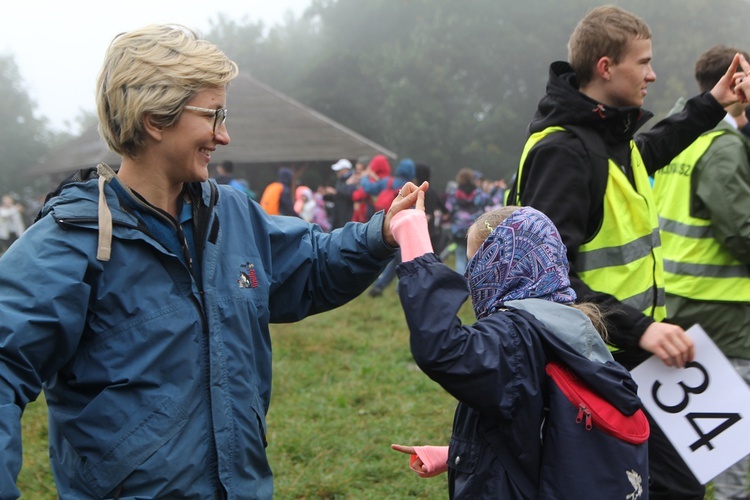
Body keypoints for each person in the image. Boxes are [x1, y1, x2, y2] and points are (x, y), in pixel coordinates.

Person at [0, 24, 421, 498]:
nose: (224, 135)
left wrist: (379, 232)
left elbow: (311, 265)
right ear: (155, 118)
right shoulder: (73, 239)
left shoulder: (232, 214)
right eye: (213, 115)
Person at [507, 6, 742, 498]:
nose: (654, 75)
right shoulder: (564, 152)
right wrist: (643, 329)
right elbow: (545, 280)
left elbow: (652, 147)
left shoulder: (607, 137)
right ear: (607, 67)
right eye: (644, 63)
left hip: (628, 357)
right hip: (595, 360)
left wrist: (714, 102)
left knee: (675, 482)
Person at [388, 201, 644, 498]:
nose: (472, 280)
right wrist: (456, 454)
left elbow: (441, 349)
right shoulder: (570, 324)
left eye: (476, 265)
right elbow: (540, 431)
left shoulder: (515, 336)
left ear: (499, 265)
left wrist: (412, 234)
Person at [653, 45, 750, 500]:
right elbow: (741, 230)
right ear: (738, 78)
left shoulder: (678, 133)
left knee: (690, 438)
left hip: (675, 302)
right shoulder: (723, 143)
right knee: (735, 440)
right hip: (726, 311)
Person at [365, 158, 416, 297]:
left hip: (383, 222)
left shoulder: (388, 182)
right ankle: (401, 288)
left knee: (393, 258)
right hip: (401, 226)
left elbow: (368, 188)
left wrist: (365, 177)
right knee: (402, 258)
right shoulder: (410, 187)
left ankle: (379, 286)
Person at [444, 167, 491, 274]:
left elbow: (447, 209)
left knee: (460, 257)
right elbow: (488, 205)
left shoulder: (454, 194)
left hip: (458, 230)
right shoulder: (479, 194)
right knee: (474, 259)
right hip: (475, 229)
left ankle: (461, 285)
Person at [322, 158, 358, 229]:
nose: (337, 172)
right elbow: (338, 198)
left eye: (339, 171)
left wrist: (336, 192)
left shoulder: (354, 179)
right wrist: (326, 195)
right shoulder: (340, 181)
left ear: (345, 169)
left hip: (347, 216)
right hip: (338, 216)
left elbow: (350, 196)